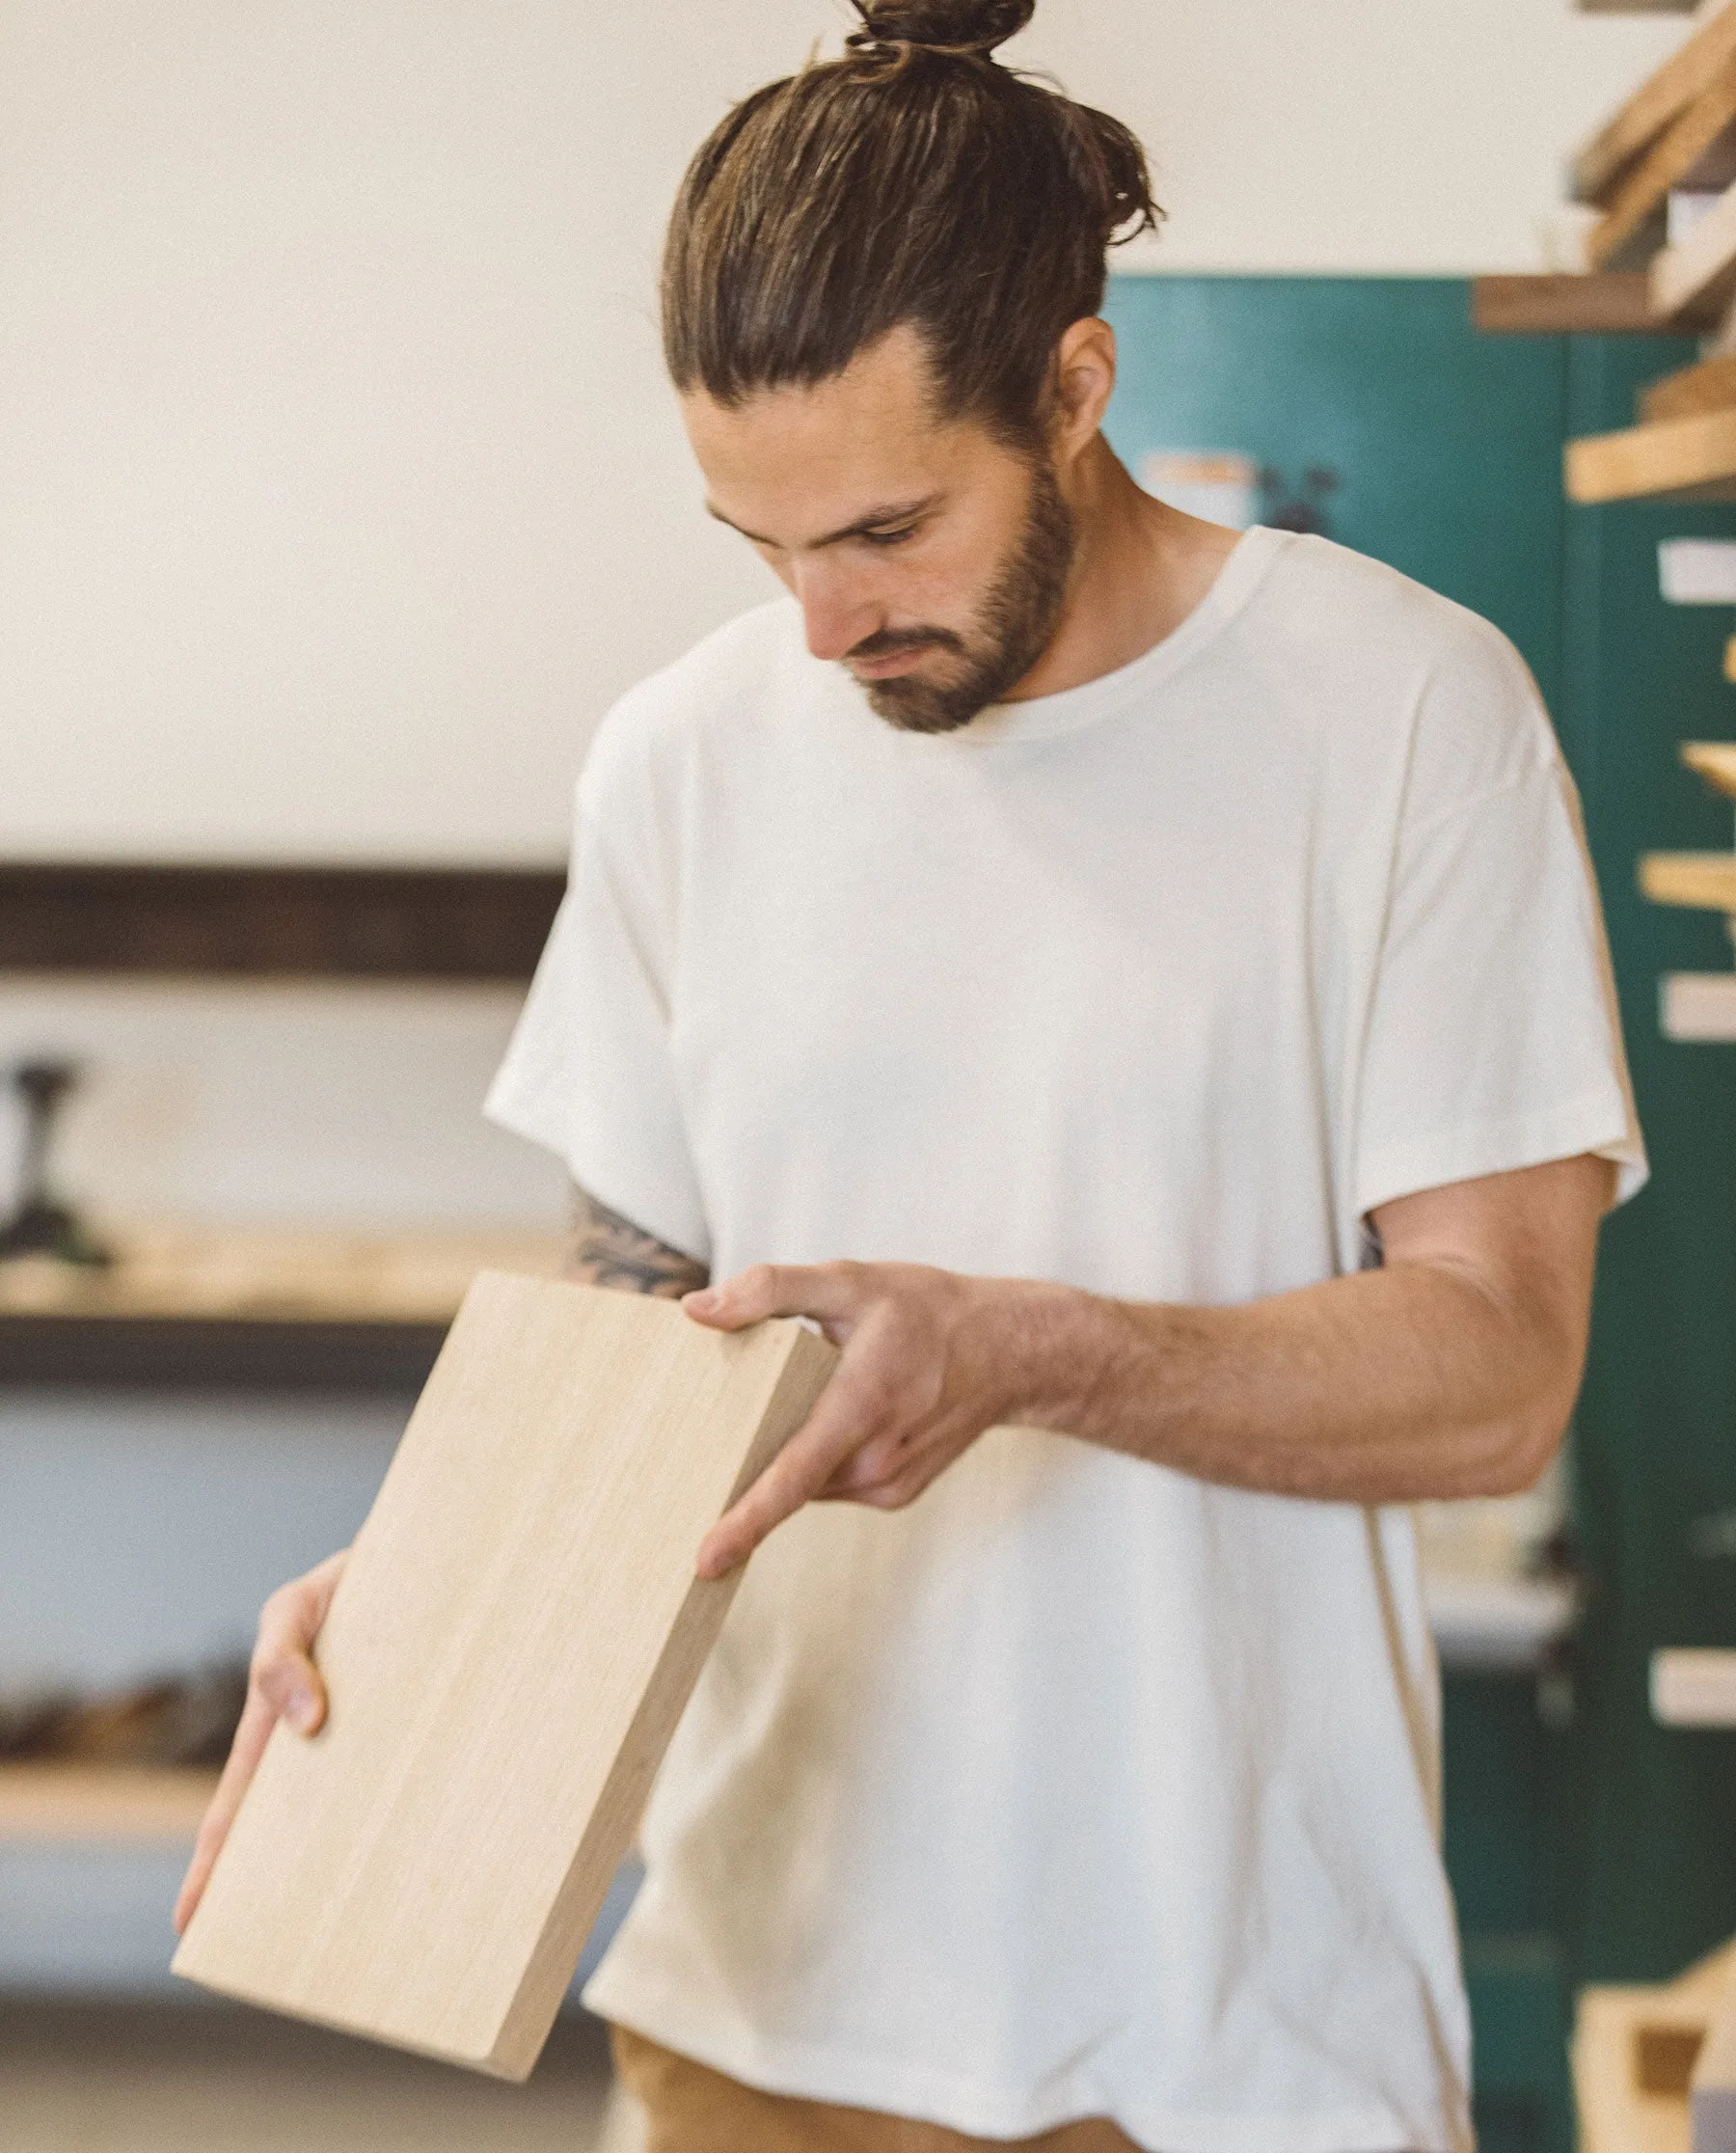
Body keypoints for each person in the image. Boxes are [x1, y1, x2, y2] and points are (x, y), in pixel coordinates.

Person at [176, 3, 1646, 2147]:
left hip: (1229, 2041)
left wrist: (1023, 1350)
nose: (820, 631)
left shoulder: (1405, 716)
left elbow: (1500, 1375)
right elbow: (640, 1304)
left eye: (882, 531)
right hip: (752, 2014)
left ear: (1074, 386)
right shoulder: (686, 756)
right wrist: (436, 1565)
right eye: (756, 548)